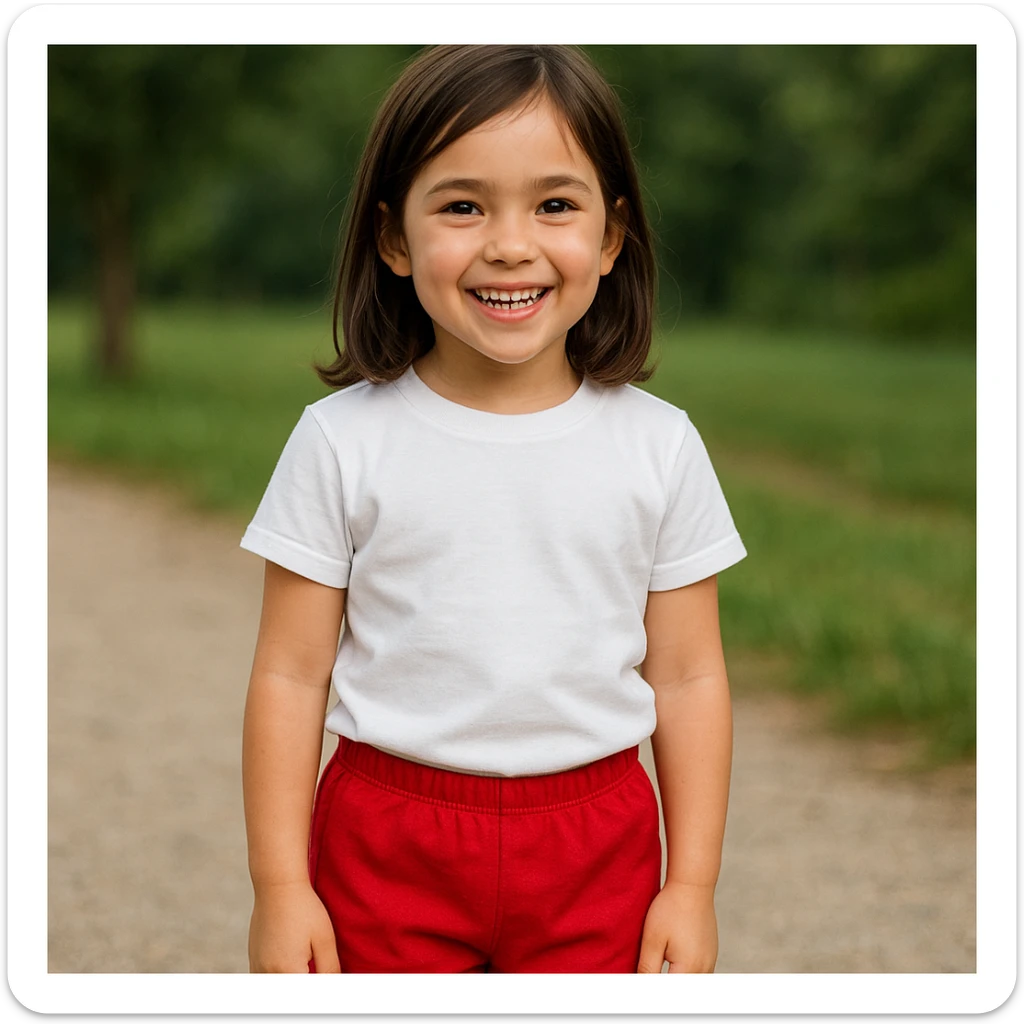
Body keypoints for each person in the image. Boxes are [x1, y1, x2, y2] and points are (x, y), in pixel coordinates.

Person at [239, 43, 747, 975]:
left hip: (597, 841)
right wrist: (281, 888)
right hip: (386, 837)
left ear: (610, 235)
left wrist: (693, 884)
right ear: (394, 238)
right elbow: (289, 674)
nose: (510, 244)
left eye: (554, 204)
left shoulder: (659, 444)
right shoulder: (341, 440)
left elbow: (687, 678)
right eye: (463, 205)